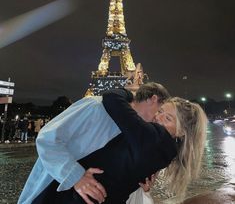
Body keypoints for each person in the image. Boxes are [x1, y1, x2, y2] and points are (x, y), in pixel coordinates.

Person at [18, 82, 170, 204]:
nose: (159, 119)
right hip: (52, 191)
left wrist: (142, 181)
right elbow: (48, 138)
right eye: (160, 111)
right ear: (153, 99)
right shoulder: (96, 106)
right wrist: (76, 177)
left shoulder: (136, 132)